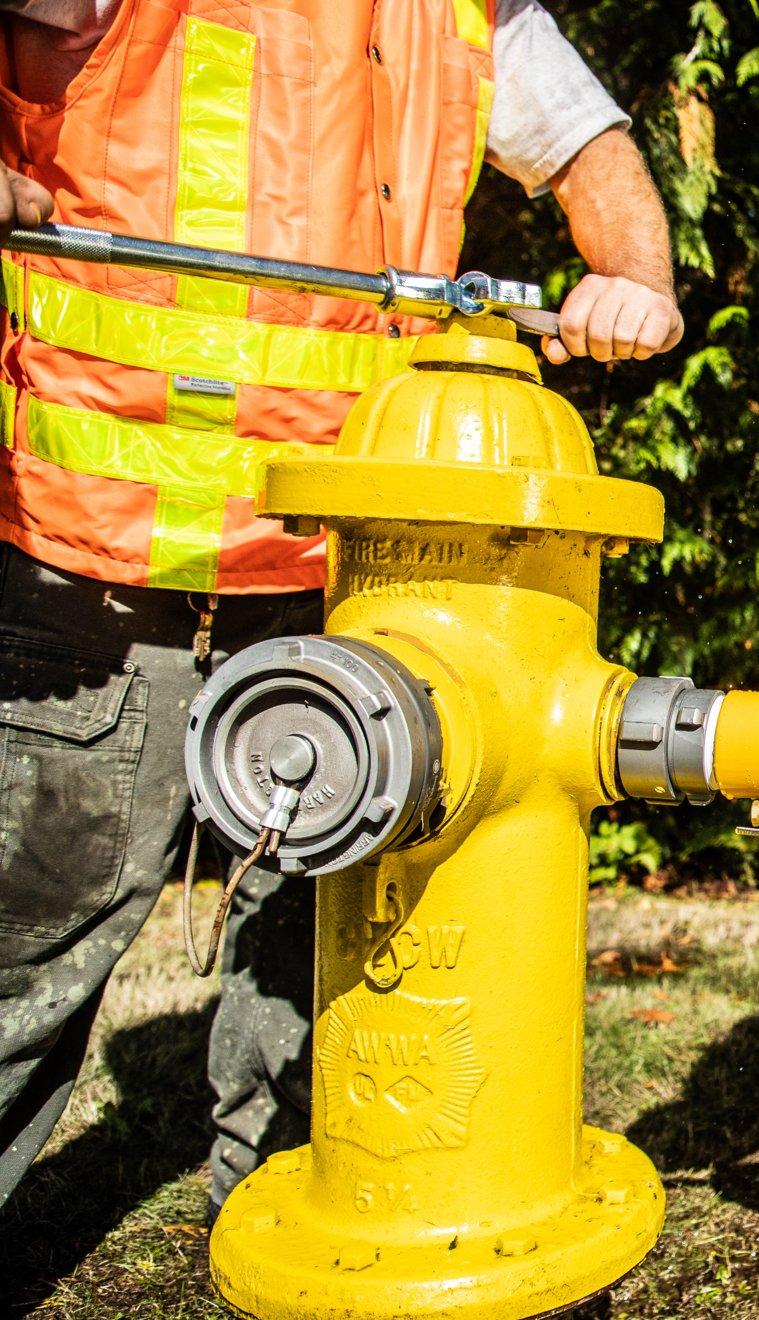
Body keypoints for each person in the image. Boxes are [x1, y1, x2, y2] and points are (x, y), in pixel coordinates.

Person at [0, 0, 683, 1215]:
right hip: (106, 569)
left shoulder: (468, 14)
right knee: (30, 958)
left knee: (312, 960)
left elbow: (591, 145)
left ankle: (277, 1231)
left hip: (337, 578)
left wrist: (633, 276)